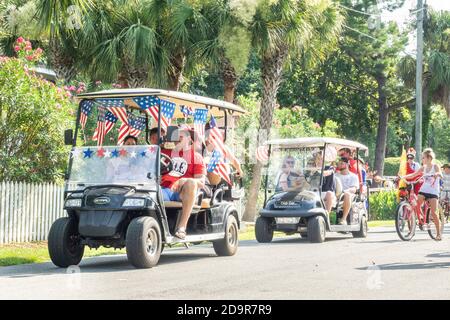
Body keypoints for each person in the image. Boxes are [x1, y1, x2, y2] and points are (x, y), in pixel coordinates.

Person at [160, 126, 206, 239]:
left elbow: (201, 182)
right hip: (164, 189)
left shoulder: (197, 157)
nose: (178, 138)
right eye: (176, 135)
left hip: (183, 192)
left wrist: (184, 180)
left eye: (182, 135)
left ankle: (182, 227)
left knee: (191, 183)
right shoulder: (164, 153)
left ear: (189, 139)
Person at [401, 148, 443, 240]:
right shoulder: (423, 167)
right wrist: (402, 176)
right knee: (416, 202)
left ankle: (439, 234)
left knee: (434, 213)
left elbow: (440, 173)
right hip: (424, 190)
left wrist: (437, 174)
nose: (422, 159)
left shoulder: (435, 166)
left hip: (433, 192)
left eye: (423, 157)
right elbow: (413, 175)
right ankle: (420, 217)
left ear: (429, 158)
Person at [335, 157, 359, 225]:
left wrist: (345, 191)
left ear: (347, 164)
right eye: (338, 163)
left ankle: (343, 219)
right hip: (337, 195)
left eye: (341, 163)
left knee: (347, 194)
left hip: (348, 196)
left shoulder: (353, 176)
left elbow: (354, 189)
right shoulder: (335, 176)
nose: (339, 165)